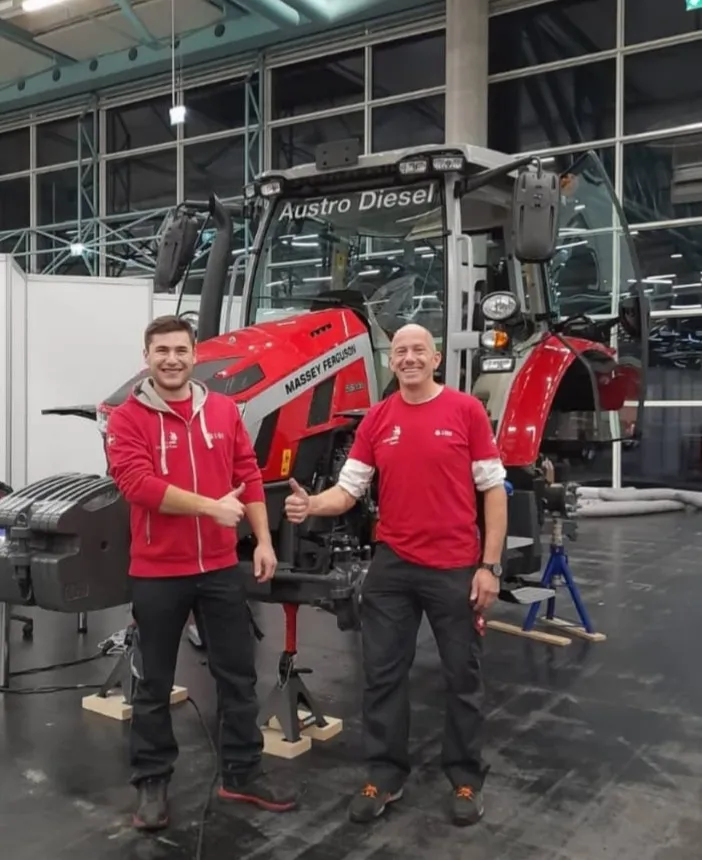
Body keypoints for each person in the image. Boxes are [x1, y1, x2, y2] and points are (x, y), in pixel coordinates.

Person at [285, 323, 507, 828]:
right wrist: (312, 504)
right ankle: (385, 775)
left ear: (435, 359)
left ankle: (465, 776)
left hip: (454, 565)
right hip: (393, 565)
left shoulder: (466, 411)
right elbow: (348, 489)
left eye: (418, 350)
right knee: (382, 674)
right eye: (400, 351)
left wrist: (489, 567)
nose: (408, 358)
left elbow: (494, 491)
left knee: (462, 676)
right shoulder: (378, 420)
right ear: (393, 362)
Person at [105, 314, 297, 831]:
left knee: (237, 675)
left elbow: (248, 474)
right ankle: (151, 782)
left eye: (180, 350)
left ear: (195, 357)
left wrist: (261, 539)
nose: (171, 359)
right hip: (157, 573)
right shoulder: (127, 418)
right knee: (152, 682)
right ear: (147, 357)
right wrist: (210, 508)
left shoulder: (224, 410)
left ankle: (241, 771)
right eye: (161, 350)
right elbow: (137, 485)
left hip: (218, 569)